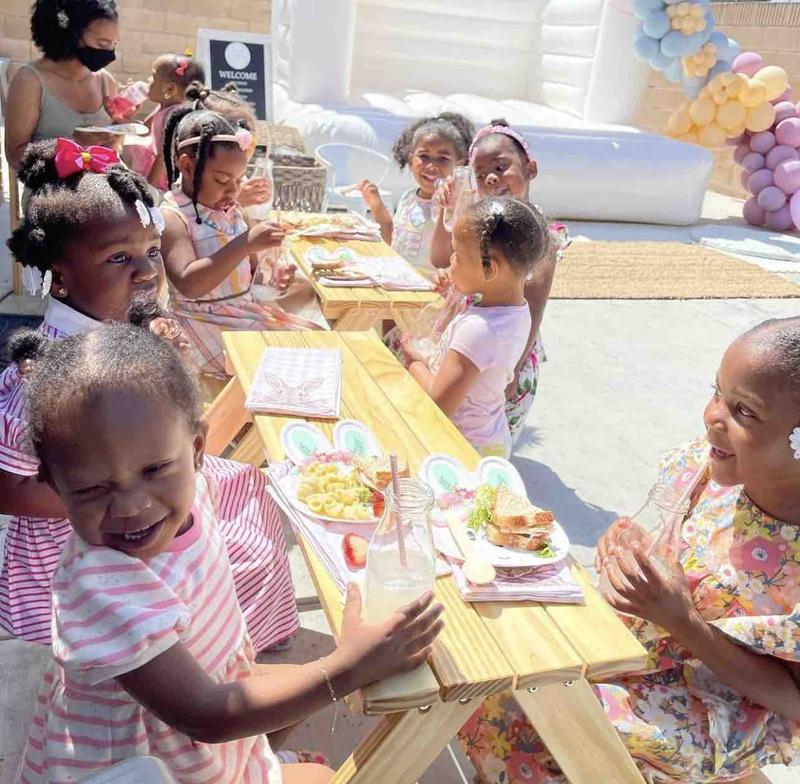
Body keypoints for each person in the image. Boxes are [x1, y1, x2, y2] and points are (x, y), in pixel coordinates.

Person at [12, 323, 445, 783]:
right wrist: (349, 666)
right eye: (94, 488)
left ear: (197, 448)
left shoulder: (198, 492)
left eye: (155, 469)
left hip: (205, 732)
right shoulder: (101, 587)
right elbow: (207, 715)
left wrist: (337, 667)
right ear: (54, 485)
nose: (133, 505)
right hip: (146, 766)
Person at [459, 317, 800, 783]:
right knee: (500, 657)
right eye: (717, 392)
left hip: (711, 705)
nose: (713, 417)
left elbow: (792, 700)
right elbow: (678, 550)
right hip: (635, 648)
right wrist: (630, 547)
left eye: (745, 412)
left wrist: (683, 622)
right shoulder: (715, 472)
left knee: (533, 712)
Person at [0, 140, 298, 652]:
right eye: (120, 257)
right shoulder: (44, 374)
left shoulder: (120, 327)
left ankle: (225, 643)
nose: (148, 271)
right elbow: (6, 490)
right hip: (88, 547)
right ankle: (206, 661)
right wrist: (105, 499)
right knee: (236, 556)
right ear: (60, 275)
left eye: (151, 252)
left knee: (254, 496)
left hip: (143, 504)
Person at [430, 119, 570, 445]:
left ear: (530, 168)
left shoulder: (538, 237)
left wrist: (516, 368)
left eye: (500, 166)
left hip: (508, 355)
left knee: (482, 435)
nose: (490, 177)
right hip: (476, 342)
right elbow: (446, 261)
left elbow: (534, 306)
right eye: (480, 173)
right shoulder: (482, 221)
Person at [160, 110, 320, 379]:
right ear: (187, 166)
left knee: (315, 348)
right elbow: (189, 283)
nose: (233, 191)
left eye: (239, 180)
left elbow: (249, 268)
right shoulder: (173, 217)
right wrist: (245, 243)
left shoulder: (232, 211)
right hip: (203, 322)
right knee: (279, 368)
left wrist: (273, 276)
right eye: (222, 180)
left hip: (243, 311)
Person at [402, 197, 550, 458]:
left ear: (489, 268)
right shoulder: (515, 311)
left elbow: (438, 404)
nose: (451, 261)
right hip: (488, 438)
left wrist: (414, 361)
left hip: (460, 449)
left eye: (457, 255)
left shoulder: (479, 330)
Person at [4, 0, 127, 171]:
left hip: (101, 186)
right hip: (50, 191)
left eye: (114, 44)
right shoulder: (30, 81)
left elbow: (112, 149)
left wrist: (121, 125)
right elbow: (15, 156)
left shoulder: (105, 81)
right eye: (103, 44)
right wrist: (76, 145)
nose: (110, 54)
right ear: (71, 36)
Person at [358, 113, 474, 272]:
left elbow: (446, 259)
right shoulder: (408, 197)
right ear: (411, 159)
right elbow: (393, 240)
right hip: (400, 281)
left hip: (432, 288)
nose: (431, 166)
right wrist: (376, 205)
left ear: (459, 164)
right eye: (424, 156)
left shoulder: (456, 207)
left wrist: (446, 206)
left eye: (443, 158)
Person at [163, 83, 272, 209]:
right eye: (222, 180)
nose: (246, 145)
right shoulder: (193, 184)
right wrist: (236, 204)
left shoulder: (233, 173)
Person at [125, 53, 205, 191]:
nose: (148, 80)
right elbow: (145, 129)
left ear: (170, 89)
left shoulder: (173, 116)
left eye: (153, 77)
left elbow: (164, 155)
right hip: (154, 162)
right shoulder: (163, 107)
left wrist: (148, 187)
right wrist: (133, 105)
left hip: (161, 175)